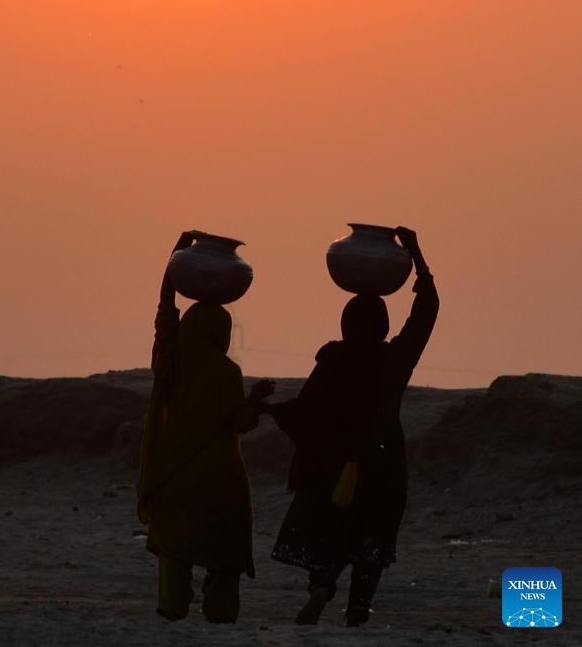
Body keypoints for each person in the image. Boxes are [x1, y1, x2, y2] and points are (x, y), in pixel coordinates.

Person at [260, 227, 439, 627]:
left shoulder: (333, 359)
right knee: (372, 533)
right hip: (383, 459)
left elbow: (306, 411)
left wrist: (272, 409)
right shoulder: (395, 360)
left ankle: (322, 586)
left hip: (332, 461)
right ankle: (358, 607)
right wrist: (417, 258)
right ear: (381, 325)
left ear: (346, 323)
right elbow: (425, 314)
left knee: (330, 529)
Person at [137, 231, 275, 623]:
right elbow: (239, 422)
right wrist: (257, 401)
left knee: (174, 550)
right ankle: (219, 611)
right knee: (224, 555)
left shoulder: (170, 359)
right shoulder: (227, 372)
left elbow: (165, 314)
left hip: (172, 476)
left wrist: (175, 258)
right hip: (219, 481)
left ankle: (172, 607)